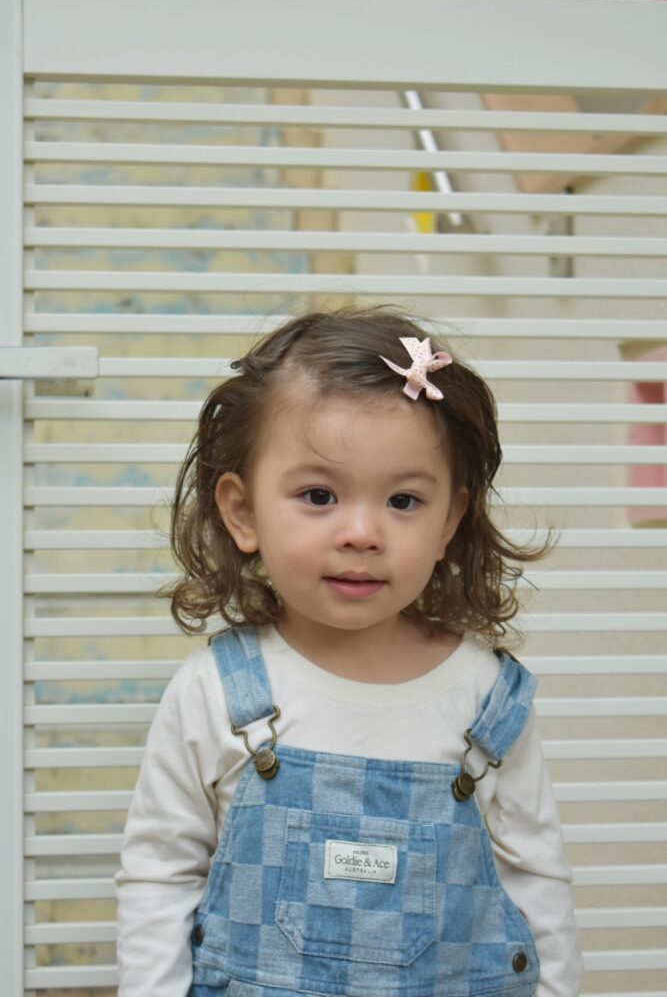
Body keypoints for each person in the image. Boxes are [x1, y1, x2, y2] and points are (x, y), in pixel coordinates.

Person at [115, 307, 582, 997]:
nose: (361, 532)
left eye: (403, 500)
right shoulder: (214, 690)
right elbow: (160, 875)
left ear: (449, 521)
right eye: (319, 495)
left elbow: (536, 882)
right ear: (242, 511)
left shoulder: (486, 699)